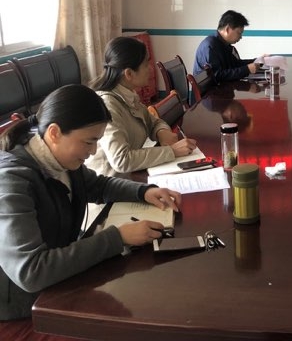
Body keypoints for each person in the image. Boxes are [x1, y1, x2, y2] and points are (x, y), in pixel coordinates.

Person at [0, 84, 182, 323]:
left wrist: (145, 192)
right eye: (89, 142)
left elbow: (99, 186)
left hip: (60, 278)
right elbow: (31, 271)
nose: (94, 151)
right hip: (25, 304)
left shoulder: (62, 158)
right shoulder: (12, 182)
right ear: (54, 133)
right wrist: (118, 237)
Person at [86, 36, 196, 176]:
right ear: (129, 73)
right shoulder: (108, 105)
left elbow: (153, 121)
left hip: (131, 175)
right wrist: (172, 151)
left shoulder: (128, 94)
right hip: (111, 183)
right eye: (145, 65)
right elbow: (121, 160)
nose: (150, 69)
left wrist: (161, 132)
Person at [193, 10, 262, 83]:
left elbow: (235, 64)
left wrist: (258, 61)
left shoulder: (224, 43)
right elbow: (217, 76)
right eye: (239, 33)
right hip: (211, 89)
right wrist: (247, 69)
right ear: (227, 29)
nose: (241, 37)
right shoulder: (210, 46)